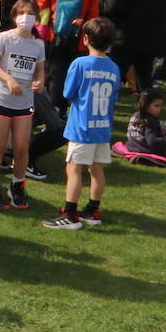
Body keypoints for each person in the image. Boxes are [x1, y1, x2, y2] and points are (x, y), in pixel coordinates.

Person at [43, 17, 121, 230]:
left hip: (81, 127)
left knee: (74, 169)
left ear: (85, 39)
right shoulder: (114, 67)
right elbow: (114, 97)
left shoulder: (80, 64)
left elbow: (68, 93)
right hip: (102, 128)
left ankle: (70, 214)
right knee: (97, 170)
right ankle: (93, 210)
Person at [0, 0, 46, 210]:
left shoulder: (38, 44)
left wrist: (40, 81)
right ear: (15, 16)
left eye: (30, 13)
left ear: (36, 16)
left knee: (21, 148)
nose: (26, 17)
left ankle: (17, 186)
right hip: (1, 98)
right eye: (22, 13)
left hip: (24, 102)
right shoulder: (5, 38)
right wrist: (8, 79)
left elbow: (40, 68)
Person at [37, 0, 100, 116]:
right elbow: (93, 17)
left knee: (55, 76)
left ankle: (54, 112)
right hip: (79, 40)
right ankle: (71, 111)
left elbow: (40, 7)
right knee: (76, 77)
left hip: (54, 37)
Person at [125, 90, 166, 158]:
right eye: (156, 106)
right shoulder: (150, 121)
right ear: (147, 106)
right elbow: (153, 142)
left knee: (164, 129)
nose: (159, 109)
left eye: (160, 106)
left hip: (132, 146)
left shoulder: (136, 115)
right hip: (146, 150)